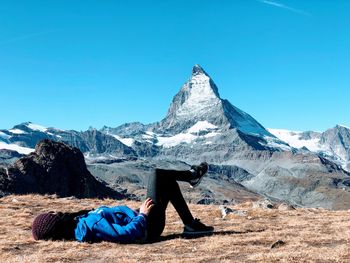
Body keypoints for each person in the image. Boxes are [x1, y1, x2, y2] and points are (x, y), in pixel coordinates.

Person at [32, 162, 214, 243]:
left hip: (143, 221)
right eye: (52, 215)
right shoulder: (89, 224)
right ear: (55, 224)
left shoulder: (79, 223)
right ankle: (192, 176)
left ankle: (190, 224)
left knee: (168, 183)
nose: (55, 212)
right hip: (148, 228)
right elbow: (124, 234)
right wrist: (142, 214)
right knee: (156, 174)